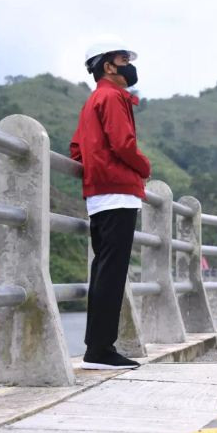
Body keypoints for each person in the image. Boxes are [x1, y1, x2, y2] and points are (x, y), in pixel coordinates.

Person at [70, 38, 150, 370]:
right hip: (118, 191)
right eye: (123, 59)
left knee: (104, 270)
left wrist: (97, 163)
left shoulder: (93, 101)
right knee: (112, 273)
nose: (129, 64)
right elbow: (122, 143)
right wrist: (145, 167)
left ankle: (98, 347)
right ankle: (100, 350)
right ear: (108, 66)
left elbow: (76, 149)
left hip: (99, 194)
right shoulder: (113, 97)